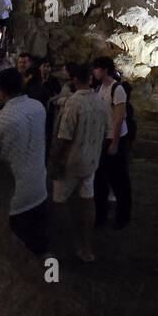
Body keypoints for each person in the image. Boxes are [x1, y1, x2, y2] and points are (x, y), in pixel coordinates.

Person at [0, 68, 48, 255]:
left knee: (16, 254)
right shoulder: (38, 107)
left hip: (15, 199)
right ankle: (47, 279)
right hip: (39, 189)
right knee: (38, 247)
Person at [47, 62, 107, 263]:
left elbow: (64, 137)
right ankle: (87, 247)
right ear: (90, 79)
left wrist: (54, 161)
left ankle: (69, 243)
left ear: (73, 80)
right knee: (88, 200)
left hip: (70, 162)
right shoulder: (100, 101)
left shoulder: (73, 103)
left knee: (59, 202)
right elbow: (106, 131)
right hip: (91, 160)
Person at [91, 56, 133, 230]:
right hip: (102, 137)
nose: (94, 72)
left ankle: (123, 215)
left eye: (96, 68)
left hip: (116, 138)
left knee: (118, 178)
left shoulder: (118, 89)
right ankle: (100, 214)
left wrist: (114, 142)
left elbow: (119, 118)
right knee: (100, 178)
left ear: (105, 69)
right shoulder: (100, 88)